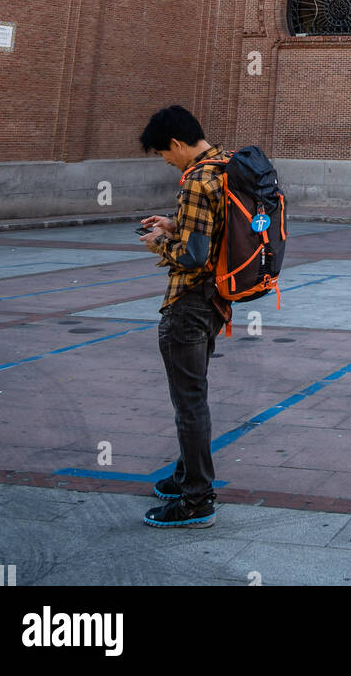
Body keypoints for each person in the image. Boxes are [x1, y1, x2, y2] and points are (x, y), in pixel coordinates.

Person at [137, 105, 229, 528]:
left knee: (189, 402)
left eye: (163, 154)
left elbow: (194, 257)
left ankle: (196, 500)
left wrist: (159, 241)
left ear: (176, 143)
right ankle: (183, 476)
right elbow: (212, 230)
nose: (166, 161)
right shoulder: (225, 167)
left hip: (188, 304)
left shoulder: (195, 180)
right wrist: (175, 224)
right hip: (215, 301)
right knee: (194, 394)